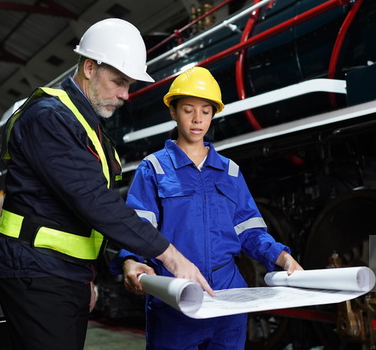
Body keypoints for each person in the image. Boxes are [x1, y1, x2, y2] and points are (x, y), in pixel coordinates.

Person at [0, 18, 214, 350]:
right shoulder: (50, 117)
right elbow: (93, 201)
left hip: (63, 274)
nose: (125, 95)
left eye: (129, 84)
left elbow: (83, 217)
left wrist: (96, 274)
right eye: (118, 81)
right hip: (36, 271)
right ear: (90, 68)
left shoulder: (88, 125)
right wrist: (170, 255)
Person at [111, 66, 303, 349]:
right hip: (176, 298)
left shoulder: (231, 172)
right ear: (173, 112)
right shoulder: (153, 169)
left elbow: (249, 230)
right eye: (188, 110)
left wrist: (283, 258)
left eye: (206, 110)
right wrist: (129, 260)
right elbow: (138, 227)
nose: (197, 119)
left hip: (228, 298)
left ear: (214, 114)